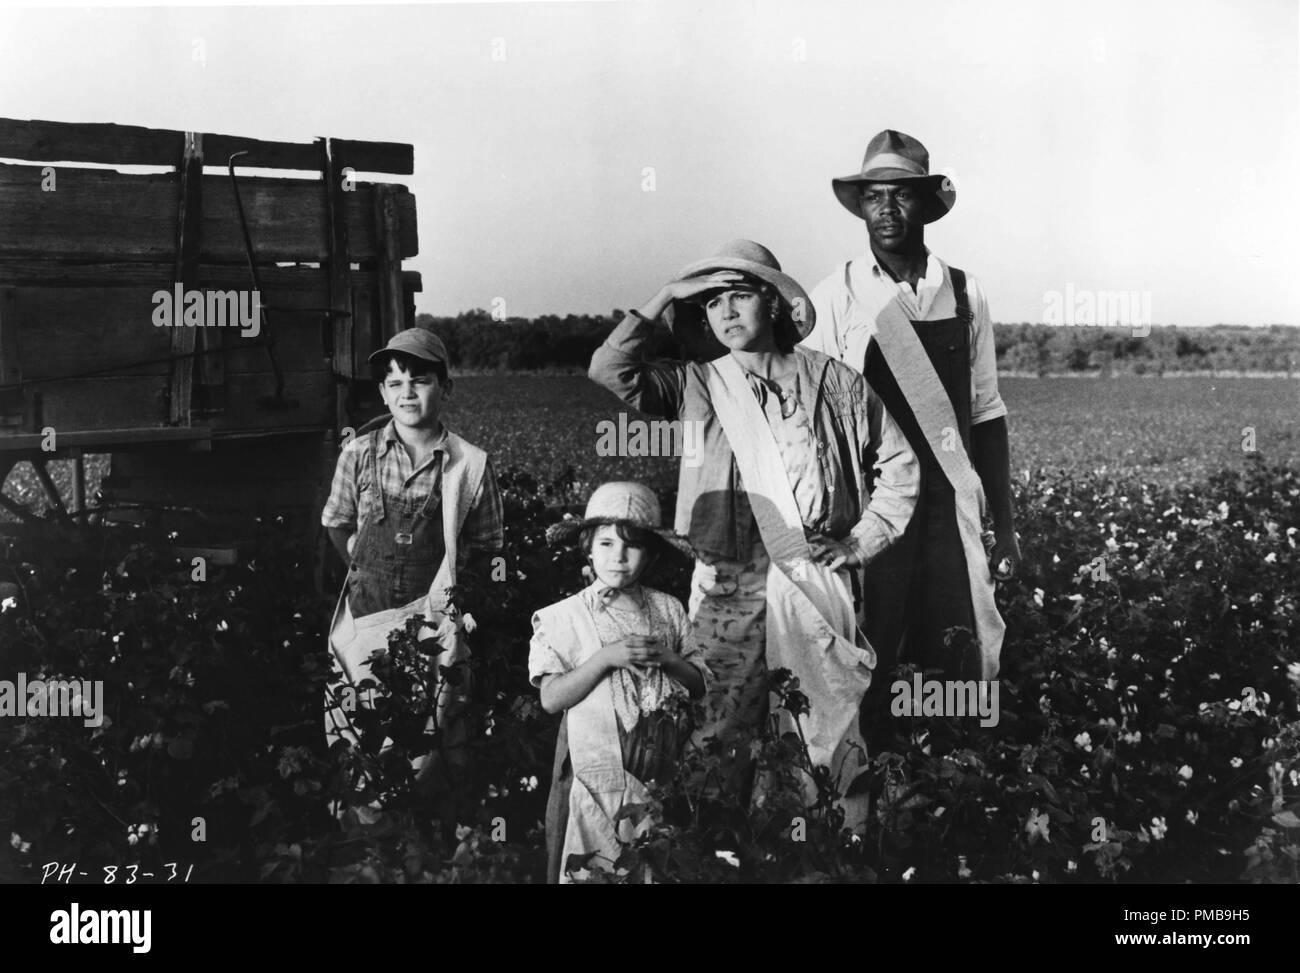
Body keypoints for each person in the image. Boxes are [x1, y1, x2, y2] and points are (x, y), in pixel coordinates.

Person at [589, 239, 919, 812]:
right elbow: (609, 368)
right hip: (726, 583)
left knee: (824, 727)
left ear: (772, 302)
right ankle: (720, 854)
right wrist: (668, 294)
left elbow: (901, 466)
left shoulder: (836, 383)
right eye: (711, 303)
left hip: (813, 581)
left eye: (739, 296)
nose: (725, 313)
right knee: (721, 727)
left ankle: (825, 852)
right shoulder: (696, 383)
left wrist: (860, 543)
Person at [802, 129, 1018, 713]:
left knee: (960, 647)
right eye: (875, 196)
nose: (888, 209)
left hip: (951, 503)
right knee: (872, 645)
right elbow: (813, 421)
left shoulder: (965, 292)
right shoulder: (836, 295)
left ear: (925, 204)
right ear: (861, 206)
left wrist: (1007, 527)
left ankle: (953, 782)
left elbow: (987, 413)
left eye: (901, 194)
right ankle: (878, 786)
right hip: (874, 506)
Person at [320, 326, 504, 783]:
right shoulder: (358, 454)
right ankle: (366, 831)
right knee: (361, 725)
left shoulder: (470, 464)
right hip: (366, 616)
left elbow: (488, 547)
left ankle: (429, 835)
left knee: (433, 731)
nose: (408, 393)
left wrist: (458, 608)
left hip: (434, 623)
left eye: (420, 380)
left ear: (445, 388)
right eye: (396, 383)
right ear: (383, 393)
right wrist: (360, 569)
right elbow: (337, 520)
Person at [530, 481, 707, 884]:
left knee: (648, 861)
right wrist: (605, 659)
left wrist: (668, 658)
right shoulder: (566, 617)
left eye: (632, 546)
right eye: (606, 544)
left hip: (655, 765)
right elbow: (552, 699)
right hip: (592, 768)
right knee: (588, 862)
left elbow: (697, 685)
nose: (619, 558)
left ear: (651, 555)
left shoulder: (668, 609)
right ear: (587, 548)